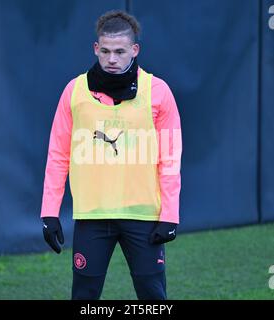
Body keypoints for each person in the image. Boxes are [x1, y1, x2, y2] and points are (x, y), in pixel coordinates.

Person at [40, 10, 182, 300]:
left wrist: (170, 214)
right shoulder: (74, 91)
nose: (112, 59)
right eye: (105, 51)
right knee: (84, 296)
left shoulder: (158, 92)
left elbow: (170, 158)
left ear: (134, 49)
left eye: (120, 51)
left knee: (153, 296)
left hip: (144, 216)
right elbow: (58, 154)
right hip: (92, 215)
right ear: (96, 49)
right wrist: (49, 211)